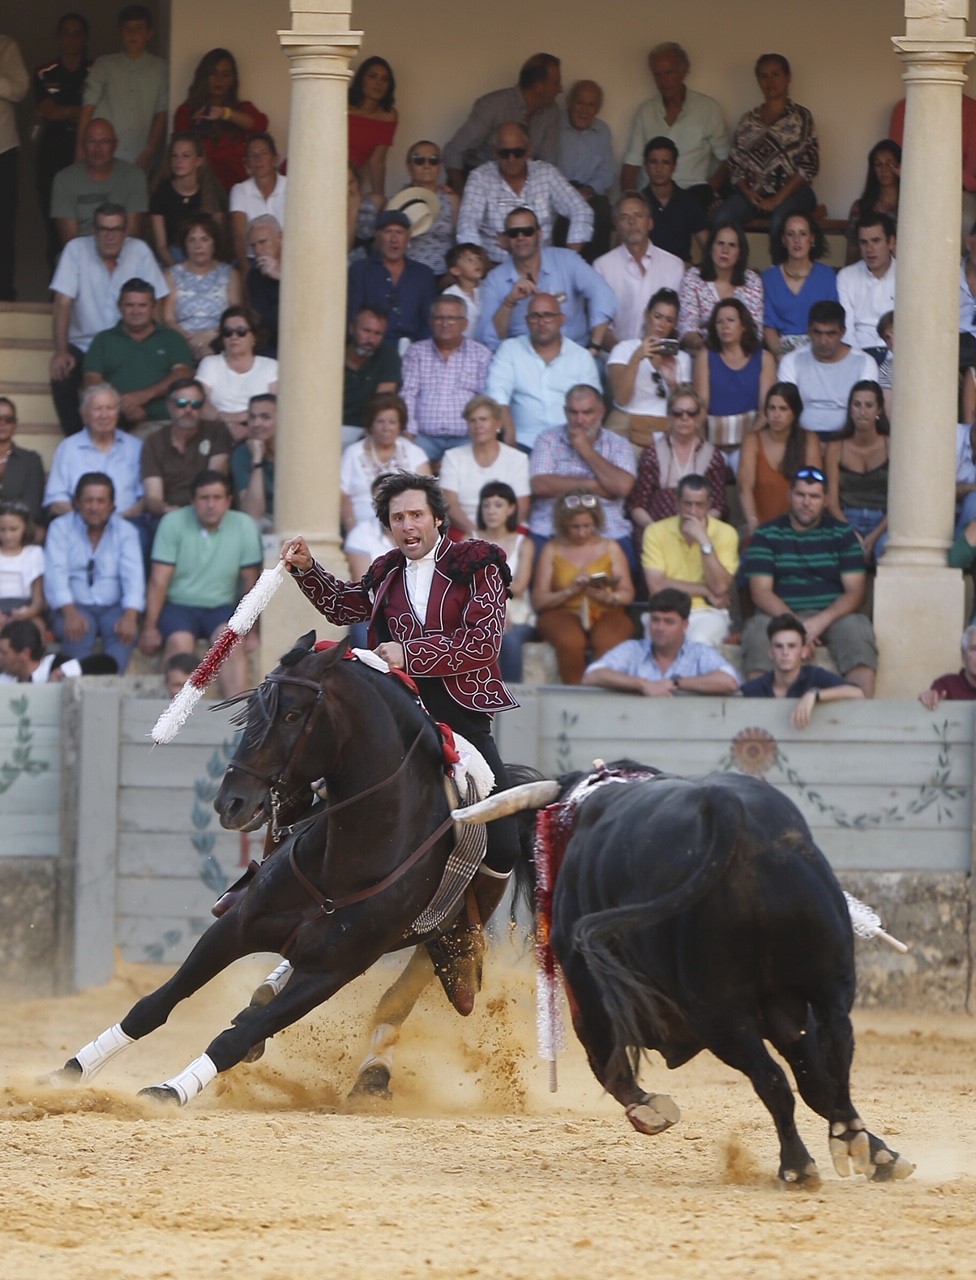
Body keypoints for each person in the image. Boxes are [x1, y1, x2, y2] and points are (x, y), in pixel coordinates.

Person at [281, 471, 523, 1007]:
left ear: (437, 518)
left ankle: (463, 937)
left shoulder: (478, 562)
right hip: (399, 717)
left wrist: (409, 655)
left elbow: (482, 644)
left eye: (416, 515)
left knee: (505, 841)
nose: (407, 525)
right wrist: (307, 570)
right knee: (316, 792)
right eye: (397, 518)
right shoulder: (387, 571)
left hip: (462, 718)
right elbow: (346, 608)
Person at [740, 466, 877, 697]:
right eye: (800, 495)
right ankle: (760, 713)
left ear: (825, 501)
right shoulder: (767, 534)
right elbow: (760, 592)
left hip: (831, 616)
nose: (807, 502)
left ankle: (860, 717)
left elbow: (856, 593)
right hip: (781, 614)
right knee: (756, 631)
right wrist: (797, 628)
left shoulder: (842, 534)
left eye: (814, 496)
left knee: (858, 629)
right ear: (789, 496)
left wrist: (821, 621)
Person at [48, 201, 168, 435]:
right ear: (94, 230)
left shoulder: (140, 250)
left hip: (127, 343)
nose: (109, 236)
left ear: (125, 231)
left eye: (116, 230)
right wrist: (61, 350)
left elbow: (157, 301)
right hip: (84, 344)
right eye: (103, 229)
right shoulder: (75, 250)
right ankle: (75, 440)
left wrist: (155, 344)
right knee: (61, 376)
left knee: (135, 383)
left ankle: (117, 442)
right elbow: (62, 302)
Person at [140, 470, 262, 698]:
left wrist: (252, 630)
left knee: (230, 641)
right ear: (193, 500)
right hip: (179, 605)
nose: (210, 505)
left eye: (217, 498)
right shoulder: (172, 523)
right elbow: (159, 579)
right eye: (204, 498)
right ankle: (170, 719)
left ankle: (237, 721)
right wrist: (150, 627)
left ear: (228, 501)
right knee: (179, 641)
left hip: (221, 606)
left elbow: (250, 583)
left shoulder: (244, 526)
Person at [475, 206, 616, 353]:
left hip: (575, 353)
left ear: (539, 234)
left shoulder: (567, 260)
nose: (520, 237)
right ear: (507, 239)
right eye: (513, 233)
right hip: (524, 362)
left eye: (527, 231)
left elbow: (604, 295)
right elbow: (486, 339)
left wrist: (595, 345)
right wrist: (509, 302)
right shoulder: (494, 279)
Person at [529, 384, 638, 573]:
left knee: (630, 566)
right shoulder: (548, 439)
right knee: (534, 558)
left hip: (607, 529)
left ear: (601, 411)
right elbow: (540, 484)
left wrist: (585, 449)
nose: (580, 420)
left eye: (587, 412)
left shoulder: (618, 444)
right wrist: (596, 486)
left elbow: (623, 486)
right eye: (573, 412)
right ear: (565, 411)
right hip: (552, 527)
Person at [44, 471, 144, 673]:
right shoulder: (59, 528)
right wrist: (70, 613)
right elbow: (56, 574)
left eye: (101, 501)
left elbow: (134, 576)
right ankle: (80, 689)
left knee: (123, 633)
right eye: (88, 501)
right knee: (77, 631)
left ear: (112, 504)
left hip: (113, 607)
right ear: (77, 503)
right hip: (72, 605)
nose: (94, 507)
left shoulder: (126, 531)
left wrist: (130, 616)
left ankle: (110, 685)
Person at [532, 490, 635, 684]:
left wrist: (610, 597)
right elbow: (538, 600)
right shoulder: (551, 549)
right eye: (575, 527)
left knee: (608, 641)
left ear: (596, 522)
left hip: (606, 611)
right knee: (571, 641)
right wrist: (569, 591)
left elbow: (628, 594)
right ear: (564, 525)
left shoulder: (611, 547)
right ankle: (575, 692)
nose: (581, 533)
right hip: (563, 612)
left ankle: (599, 691)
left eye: (587, 526)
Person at [457, 122, 593, 266]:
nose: (511, 159)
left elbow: (580, 209)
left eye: (518, 153)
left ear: (529, 151)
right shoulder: (480, 177)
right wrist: (480, 266)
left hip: (543, 267)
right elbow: (467, 224)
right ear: (495, 152)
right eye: (504, 153)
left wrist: (568, 259)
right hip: (495, 266)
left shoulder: (546, 173)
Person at [715, 53, 819, 240]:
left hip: (792, 195)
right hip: (752, 196)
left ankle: (777, 270)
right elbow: (735, 165)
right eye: (763, 76)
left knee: (781, 222)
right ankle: (737, 269)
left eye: (776, 74)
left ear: (788, 78)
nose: (770, 81)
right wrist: (748, 193)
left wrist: (777, 199)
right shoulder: (748, 120)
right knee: (722, 218)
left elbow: (809, 166)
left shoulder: (801, 117)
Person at [484, 292, 601, 450]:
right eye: (535, 316)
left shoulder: (581, 356)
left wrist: (583, 443)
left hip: (570, 442)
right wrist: (508, 432)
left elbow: (592, 405)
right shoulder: (510, 349)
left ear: (561, 319)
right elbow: (497, 394)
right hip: (522, 441)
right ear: (527, 321)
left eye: (548, 315)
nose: (541, 322)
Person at [620, 42, 729, 204]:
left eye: (669, 73)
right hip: (653, 196)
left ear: (684, 71)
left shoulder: (708, 109)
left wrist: (711, 191)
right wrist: (632, 201)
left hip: (694, 194)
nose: (664, 81)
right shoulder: (646, 111)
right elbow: (631, 166)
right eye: (658, 74)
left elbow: (727, 161)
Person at [582, 587, 739, 696]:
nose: (659, 627)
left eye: (669, 622)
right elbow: (592, 675)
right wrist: (644, 684)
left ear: (685, 625)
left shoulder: (699, 652)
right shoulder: (633, 649)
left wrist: (676, 683)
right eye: (655, 620)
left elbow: (729, 681)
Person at [641, 473, 739, 646]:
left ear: (709, 505)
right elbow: (657, 587)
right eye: (687, 504)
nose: (693, 511)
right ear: (677, 503)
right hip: (665, 611)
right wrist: (706, 591)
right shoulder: (655, 532)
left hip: (708, 612)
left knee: (697, 642)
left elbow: (720, 586)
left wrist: (704, 541)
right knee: (662, 645)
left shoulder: (726, 533)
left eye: (699, 505)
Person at [82, 277, 194, 429]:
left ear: (153, 307)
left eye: (142, 305)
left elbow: (183, 374)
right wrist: (121, 404)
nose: (136, 311)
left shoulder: (171, 337)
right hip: (113, 424)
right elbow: (92, 379)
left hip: (164, 423)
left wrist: (143, 396)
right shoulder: (104, 340)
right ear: (119, 307)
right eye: (129, 305)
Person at [444, 53, 563, 192]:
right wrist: (463, 192)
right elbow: (454, 151)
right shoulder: (492, 105)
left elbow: (548, 163)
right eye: (556, 82)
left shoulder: (551, 111)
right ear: (538, 86)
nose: (560, 89)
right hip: (479, 181)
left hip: (524, 185)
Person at [626, 385, 727, 543]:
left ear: (699, 417)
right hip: (658, 534)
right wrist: (655, 531)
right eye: (677, 413)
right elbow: (637, 506)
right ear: (669, 417)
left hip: (699, 533)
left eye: (691, 413)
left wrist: (699, 529)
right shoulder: (652, 454)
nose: (684, 418)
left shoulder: (713, 456)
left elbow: (718, 506)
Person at [32, 12, 92, 270]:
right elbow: (47, 111)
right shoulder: (44, 72)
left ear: (85, 38)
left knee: (86, 219)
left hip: (87, 152)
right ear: (58, 37)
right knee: (53, 222)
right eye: (65, 32)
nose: (71, 38)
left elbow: (98, 112)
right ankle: (54, 290)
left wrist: (63, 111)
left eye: (77, 32)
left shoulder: (96, 70)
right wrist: (80, 111)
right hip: (51, 152)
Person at [400, 296, 492, 462]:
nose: (445, 323)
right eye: (439, 318)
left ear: (464, 324)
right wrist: (409, 433)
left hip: (466, 437)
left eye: (451, 318)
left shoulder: (481, 354)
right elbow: (408, 394)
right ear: (430, 322)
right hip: (423, 437)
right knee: (407, 473)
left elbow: (484, 400)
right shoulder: (416, 352)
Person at [77, 5, 167, 171]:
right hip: (101, 154)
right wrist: (81, 153)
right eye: (127, 28)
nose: (133, 34)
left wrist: (150, 151)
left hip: (139, 155)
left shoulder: (160, 67)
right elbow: (87, 110)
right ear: (120, 32)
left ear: (149, 33)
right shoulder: (104, 64)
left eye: (139, 28)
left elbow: (161, 115)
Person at [777, 300, 879, 440]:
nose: (823, 341)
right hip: (800, 439)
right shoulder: (791, 361)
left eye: (831, 334)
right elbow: (784, 408)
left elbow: (866, 412)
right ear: (809, 331)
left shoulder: (864, 362)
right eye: (817, 333)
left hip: (848, 440)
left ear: (843, 332)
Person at [741, 612, 864, 727]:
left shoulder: (815, 675)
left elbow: (858, 693)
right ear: (770, 652)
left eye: (792, 646)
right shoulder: (757, 686)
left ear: (804, 651)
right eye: (779, 646)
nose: (785, 652)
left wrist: (814, 694)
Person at [172, 48, 268, 192]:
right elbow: (179, 151)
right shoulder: (186, 111)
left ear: (232, 80)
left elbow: (261, 125)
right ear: (204, 77)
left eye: (226, 75)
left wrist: (226, 113)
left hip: (236, 191)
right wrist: (195, 123)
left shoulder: (241, 109)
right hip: (200, 192)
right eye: (213, 74)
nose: (219, 80)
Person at [593, 192, 684, 344]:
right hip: (616, 358)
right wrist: (625, 354)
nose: (632, 221)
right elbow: (599, 325)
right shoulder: (602, 266)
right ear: (616, 226)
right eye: (624, 217)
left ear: (650, 223)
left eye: (638, 215)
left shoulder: (674, 266)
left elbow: (678, 323)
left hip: (661, 357)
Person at [606, 288, 692, 448]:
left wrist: (672, 382)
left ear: (674, 324)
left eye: (669, 320)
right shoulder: (624, 349)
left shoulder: (681, 358)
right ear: (647, 314)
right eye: (657, 316)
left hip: (666, 427)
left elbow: (685, 409)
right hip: (627, 421)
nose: (661, 324)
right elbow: (621, 398)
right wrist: (636, 358)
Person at [694, 298, 776, 465]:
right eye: (719, 322)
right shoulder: (705, 355)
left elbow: (765, 411)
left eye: (730, 320)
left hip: (750, 440)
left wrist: (747, 444)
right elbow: (701, 407)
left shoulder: (765, 358)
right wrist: (703, 446)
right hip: (712, 441)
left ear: (743, 325)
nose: (724, 326)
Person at [44, 384, 143, 519]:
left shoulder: (136, 447)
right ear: (84, 415)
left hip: (127, 522)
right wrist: (89, 521)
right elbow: (56, 500)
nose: (104, 415)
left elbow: (144, 498)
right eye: (97, 409)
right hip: (78, 524)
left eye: (110, 408)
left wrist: (118, 521)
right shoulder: (68, 448)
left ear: (118, 413)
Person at [738, 382, 822, 534]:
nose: (776, 415)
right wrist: (753, 524)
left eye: (783, 409)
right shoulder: (752, 441)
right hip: (761, 528)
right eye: (772, 408)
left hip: (800, 529)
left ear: (795, 412)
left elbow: (815, 487)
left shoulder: (809, 440)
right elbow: (745, 488)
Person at [141, 378, 232, 518]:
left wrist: (196, 514)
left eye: (196, 404)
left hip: (210, 511)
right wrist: (173, 513)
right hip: (170, 515)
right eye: (181, 404)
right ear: (169, 406)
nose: (188, 410)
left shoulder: (216, 431)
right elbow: (153, 498)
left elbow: (215, 482)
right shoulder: (154, 441)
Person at [347, 209, 438, 348]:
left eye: (399, 232)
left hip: (415, 350)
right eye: (388, 232)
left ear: (408, 237)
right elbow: (354, 317)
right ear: (377, 236)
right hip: (372, 350)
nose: (394, 239)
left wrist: (420, 352)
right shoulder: (360, 270)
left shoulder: (423, 274)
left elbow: (429, 321)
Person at [440, 397, 530, 536]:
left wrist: (498, 535)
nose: (478, 425)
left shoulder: (518, 459)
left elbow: (522, 506)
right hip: (464, 529)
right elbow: (449, 503)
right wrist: (476, 532)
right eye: (472, 420)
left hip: (507, 530)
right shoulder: (452, 457)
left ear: (498, 423)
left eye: (483, 419)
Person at [340, 393, 431, 531]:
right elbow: (342, 494)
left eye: (392, 422)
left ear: (400, 425)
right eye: (380, 421)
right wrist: (352, 528)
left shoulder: (415, 453)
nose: (386, 428)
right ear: (371, 424)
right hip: (363, 528)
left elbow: (429, 494)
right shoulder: (353, 453)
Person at [51, 115, 147, 243]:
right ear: (83, 145)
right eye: (91, 141)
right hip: (80, 257)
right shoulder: (64, 179)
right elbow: (71, 243)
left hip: (123, 255)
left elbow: (132, 238)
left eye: (105, 141)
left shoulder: (134, 176)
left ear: (115, 145)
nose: (98, 148)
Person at [161, 214, 242, 364]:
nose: (198, 246)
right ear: (184, 245)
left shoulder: (230, 274)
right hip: (181, 340)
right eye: (192, 240)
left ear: (214, 244)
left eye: (205, 239)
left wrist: (210, 336)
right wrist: (190, 339)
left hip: (220, 339)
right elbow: (168, 319)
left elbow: (236, 317)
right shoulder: (171, 274)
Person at [824, 381, 890, 565]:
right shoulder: (836, 446)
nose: (862, 411)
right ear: (850, 409)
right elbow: (833, 503)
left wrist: (872, 538)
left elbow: (899, 502)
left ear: (879, 410)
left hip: (884, 521)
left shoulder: (891, 444)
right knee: (844, 554)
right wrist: (851, 533)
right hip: (846, 519)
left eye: (869, 405)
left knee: (887, 552)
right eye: (857, 405)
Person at [477, 481, 535, 684]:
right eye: (486, 505)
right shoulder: (469, 540)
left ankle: (510, 702)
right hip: (478, 614)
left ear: (511, 509)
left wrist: (484, 581)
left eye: (498, 505)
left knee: (508, 641)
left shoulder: (524, 543)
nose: (491, 511)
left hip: (518, 617)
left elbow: (518, 587)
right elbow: (460, 585)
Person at [761, 211, 839, 357]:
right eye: (791, 234)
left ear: (812, 239)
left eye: (803, 234)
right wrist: (782, 356)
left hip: (820, 349)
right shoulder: (768, 278)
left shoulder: (827, 276)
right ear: (783, 240)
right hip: (781, 352)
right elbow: (768, 326)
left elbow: (833, 322)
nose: (797, 240)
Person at [196, 304, 278, 441]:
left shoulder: (271, 366)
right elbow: (200, 402)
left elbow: (275, 407)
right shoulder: (209, 363)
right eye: (228, 332)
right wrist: (228, 425)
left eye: (241, 331)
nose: (234, 336)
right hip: (216, 430)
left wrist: (244, 425)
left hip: (260, 432)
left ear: (254, 336)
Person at [678, 222, 764, 353]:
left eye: (732, 245)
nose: (725, 250)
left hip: (742, 355)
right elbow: (686, 329)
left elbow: (755, 330)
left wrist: (732, 352)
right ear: (710, 248)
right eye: (720, 243)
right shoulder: (693, 278)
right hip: (701, 353)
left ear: (740, 253)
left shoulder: (752, 281)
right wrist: (707, 348)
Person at [148, 132, 226, 266]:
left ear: (198, 160)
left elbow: (217, 241)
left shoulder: (212, 192)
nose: (178, 161)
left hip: (204, 256)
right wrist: (180, 272)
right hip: (172, 258)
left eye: (185, 156)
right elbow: (162, 248)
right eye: (175, 155)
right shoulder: (161, 193)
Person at [556, 79, 614, 261]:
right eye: (580, 102)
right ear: (570, 102)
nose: (584, 110)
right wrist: (568, 194)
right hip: (557, 191)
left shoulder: (602, 130)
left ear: (597, 109)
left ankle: (594, 270)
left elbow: (607, 171)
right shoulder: (553, 124)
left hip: (589, 193)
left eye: (591, 105)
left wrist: (589, 190)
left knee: (602, 211)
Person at [837, 214, 897, 362]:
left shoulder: (908, 276)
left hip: (898, 355)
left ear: (891, 242)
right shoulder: (846, 276)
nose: (870, 249)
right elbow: (847, 328)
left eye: (876, 241)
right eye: (864, 242)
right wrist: (861, 361)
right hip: (860, 352)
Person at [394, 141, 458, 276]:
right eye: (419, 160)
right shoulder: (398, 200)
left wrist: (453, 273)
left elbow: (460, 238)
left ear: (440, 167)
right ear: (409, 166)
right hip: (408, 273)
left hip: (444, 274)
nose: (426, 165)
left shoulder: (451, 199)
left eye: (433, 160)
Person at [641, 136, 708, 264]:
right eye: (653, 162)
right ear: (646, 165)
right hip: (645, 273)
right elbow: (621, 248)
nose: (659, 168)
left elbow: (708, 247)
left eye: (665, 162)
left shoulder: (689, 202)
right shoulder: (637, 203)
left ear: (674, 166)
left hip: (681, 272)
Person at [342, 306, 401, 442]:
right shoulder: (334, 349)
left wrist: (367, 435)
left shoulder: (388, 355)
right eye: (366, 331)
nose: (371, 339)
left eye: (378, 333)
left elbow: (382, 402)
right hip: (328, 426)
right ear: (352, 328)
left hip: (365, 428)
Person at [229, 133, 286, 269]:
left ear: (275, 158)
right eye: (252, 155)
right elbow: (239, 234)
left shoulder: (291, 186)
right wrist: (245, 270)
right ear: (246, 162)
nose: (258, 159)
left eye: (263, 153)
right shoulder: (240, 190)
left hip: (286, 258)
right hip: (253, 259)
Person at [0, 33, 29, 300]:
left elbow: (20, 88)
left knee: (3, 225)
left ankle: (3, 292)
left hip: (3, 150)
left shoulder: (6, 46)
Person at [347, 56, 398, 204]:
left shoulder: (389, 115)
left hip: (349, 182)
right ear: (361, 79)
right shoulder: (341, 105)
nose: (378, 83)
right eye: (372, 76)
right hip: (321, 173)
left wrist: (380, 198)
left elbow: (377, 162)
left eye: (384, 79)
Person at [845, 140, 900, 266]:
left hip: (902, 275)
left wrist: (907, 176)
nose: (884, 169)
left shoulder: (911, 207)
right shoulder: (860, 207)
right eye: (878, 164)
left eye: (889, 163)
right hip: (866, 275)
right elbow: (852, 254)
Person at [230, 393, 275, 529]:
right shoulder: (243, 453)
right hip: (264, 522)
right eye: (252, 417)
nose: (256, 424)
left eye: (265, 417)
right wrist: (257, 460)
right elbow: (253, 514)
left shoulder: (298, 451)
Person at [0, 398, 45, 525]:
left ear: (15, 424)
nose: (2, 424)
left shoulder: (31, 461)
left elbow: (33, 508)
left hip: (20, 531)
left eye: (8, 420)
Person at [0, 502, 45, 625]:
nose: (7, 536)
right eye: (2, 530)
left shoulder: (34, 553)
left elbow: (38, 598)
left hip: (24, 606)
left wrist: (30, 611)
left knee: (36, 627)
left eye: (13, 529)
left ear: (25, 527)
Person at [0, 619, 84, 682]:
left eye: (4, 653)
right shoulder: (4, 680)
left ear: (25, 653)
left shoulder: (63, 666)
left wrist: (66, 672)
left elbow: (93, 666)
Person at [244, 214, 281, 357]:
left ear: (280, 237)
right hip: (273, 343)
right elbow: (266, 321)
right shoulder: (255, 275)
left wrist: (281, 279)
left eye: (263, 242)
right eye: (253, 245)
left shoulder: (301, 261)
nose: (258, 250)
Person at [919, 625, 976, 707]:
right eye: (974, 649)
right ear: (963, 655)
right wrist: (928, 699)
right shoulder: (946, 685)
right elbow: (925, 712)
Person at [442, 242, 489, 335]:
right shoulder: (449, 295)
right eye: (469, 260)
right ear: (455, 270)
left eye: (478, 258)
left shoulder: (489, 287)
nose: (477, 263)